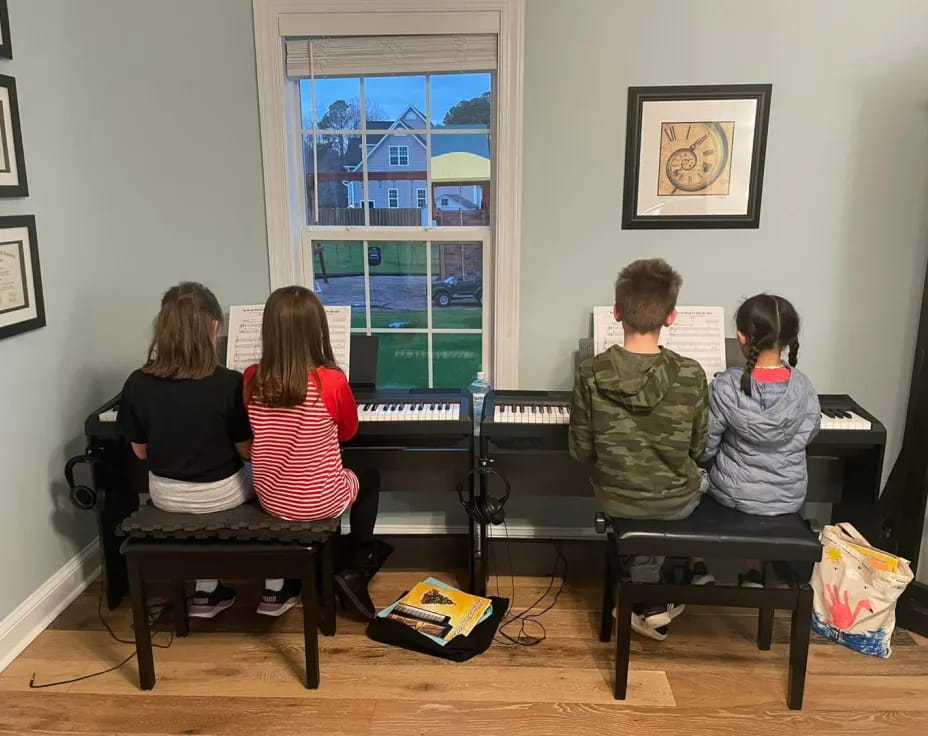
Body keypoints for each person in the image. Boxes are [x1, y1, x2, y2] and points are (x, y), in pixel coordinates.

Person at [569, 258, 708, 641]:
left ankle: (648, 579)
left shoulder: (590, 372)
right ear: (672, 316)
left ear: (616, 313)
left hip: (614, 498)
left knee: (659, 487)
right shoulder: (693, 373)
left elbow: (581, 450)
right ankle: (681, 573)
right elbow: (699, 446)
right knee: (707, 480)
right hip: (675, 503)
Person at [244, 286, 388, 619]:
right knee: (369, 475)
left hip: (272, 499)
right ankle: (356, 564)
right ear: (317, 330)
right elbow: (349, 432)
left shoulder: (253, 377)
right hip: (318, 502)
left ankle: (288, 579)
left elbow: (256, 433)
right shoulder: (331, 381)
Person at [118, 282, 254, 619]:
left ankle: (208, 593)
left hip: (165, 494)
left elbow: (139, 453)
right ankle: (278, 583)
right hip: (220, 494)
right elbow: (247, 451)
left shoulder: (138, 381)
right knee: (267, 473)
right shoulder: (229, 383)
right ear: (213, 327)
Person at [701, 294, 821, 587]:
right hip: (786, 498)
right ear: (789, 339)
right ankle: (753, 571)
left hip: (733, 493)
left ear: (742, 337)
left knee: (699, 478)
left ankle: (697, 565)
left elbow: (706, 446)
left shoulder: (727, 385)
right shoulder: (803, 386)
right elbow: (809, 433)